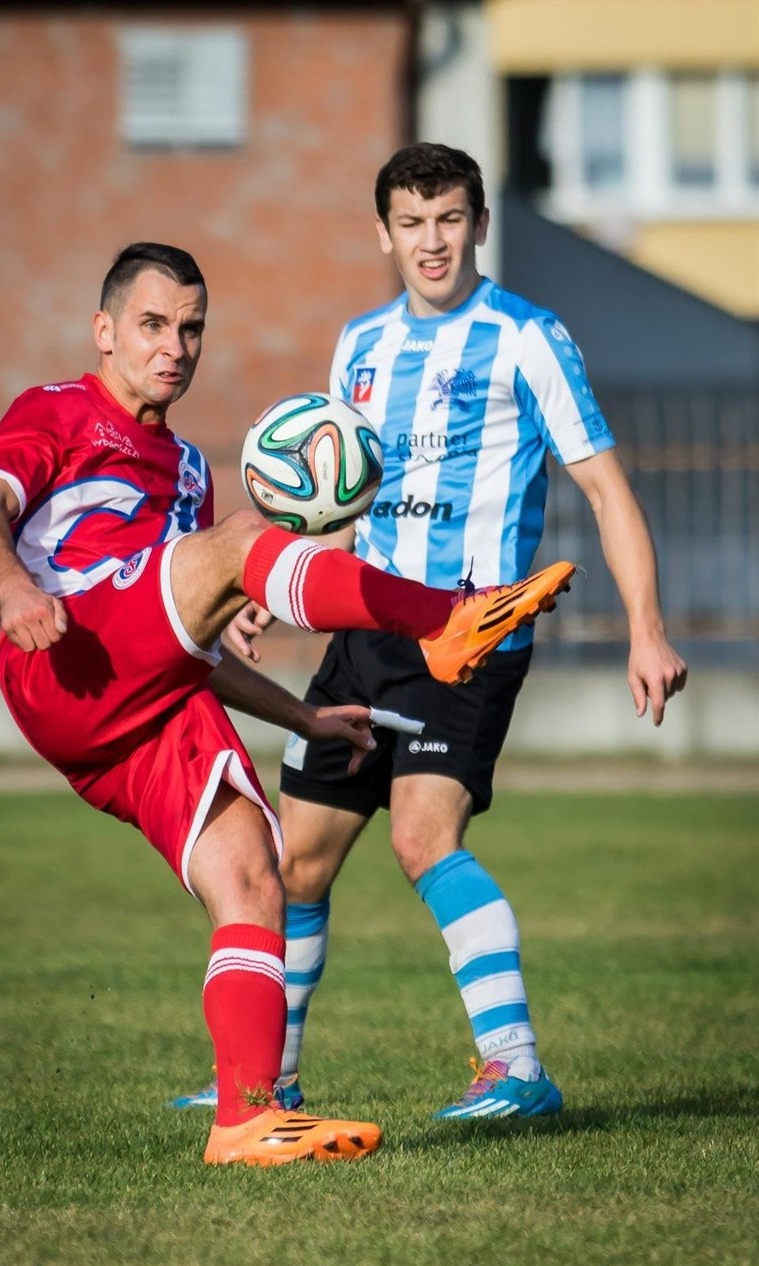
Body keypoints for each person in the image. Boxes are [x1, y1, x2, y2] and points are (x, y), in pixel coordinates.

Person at [0, 240, 574, 1165]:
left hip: (143, 705)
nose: (175, 346)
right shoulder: (57, 409)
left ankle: (246, 1116)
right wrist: (10, 588)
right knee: (253, 540)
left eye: (192, 327)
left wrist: (304, 717)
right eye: (154, 324)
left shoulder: (193, 470)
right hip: (62, 652)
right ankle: (447, 619)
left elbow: (191, 637)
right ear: (105, 330)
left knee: (252, 871)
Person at [174, 144, 688, 1121]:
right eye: (412, 223)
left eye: (449, 218)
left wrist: (646, 630)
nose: (432, 240)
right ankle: (266, 1078)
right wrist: (264, 586)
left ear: (479, 224)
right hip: (364, 636)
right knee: (298, 862)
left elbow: (608, 492)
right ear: (385, 234)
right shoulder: (359, 346)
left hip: (470, 631)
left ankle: (515, 1063)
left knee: (421, 836)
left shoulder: (529, 337)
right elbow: (327, 506)